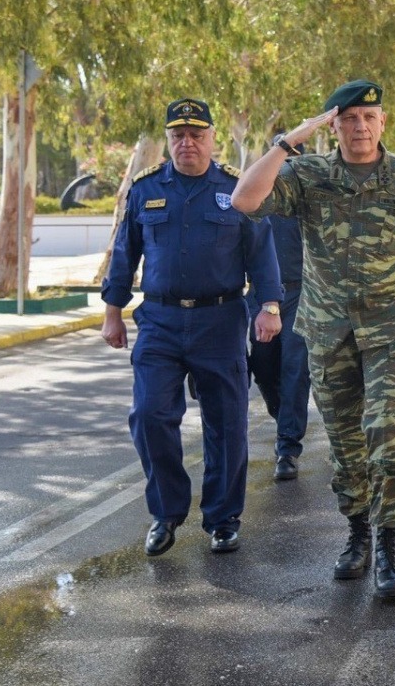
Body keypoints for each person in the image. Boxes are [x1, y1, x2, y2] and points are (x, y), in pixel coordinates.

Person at [231, 79, 395, 599]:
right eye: (348, 118)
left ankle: (388, 544)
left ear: (383, 123)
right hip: (327, 328)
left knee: (386, 430)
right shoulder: (307, 174)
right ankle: (357, 534)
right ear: (333, 124)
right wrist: (290, 140)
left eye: (368, 118)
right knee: (345, 444)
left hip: (391, 329)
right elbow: (245, 200)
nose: (359, 127)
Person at [101, 98, 282, 558]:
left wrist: (270, 306)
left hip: (220, 321)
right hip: (160, 321)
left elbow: (261, 253)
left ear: (212, 138)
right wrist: (112, 311)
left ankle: (223, 519)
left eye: (197, 135)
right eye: (178, 135)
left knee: (226, 426)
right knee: (149, 416)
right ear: (168, 140)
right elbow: (126, 255)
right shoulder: (144, 192)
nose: (188, 143)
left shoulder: (235, 190)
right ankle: (166, 513)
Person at [247, 134, 312, 481]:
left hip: (302, 292)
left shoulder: (309, 199)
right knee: (264, 365)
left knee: (295, 368)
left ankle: (287, 447)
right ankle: (282, 414)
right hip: (259, 296)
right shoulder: (255, 197)